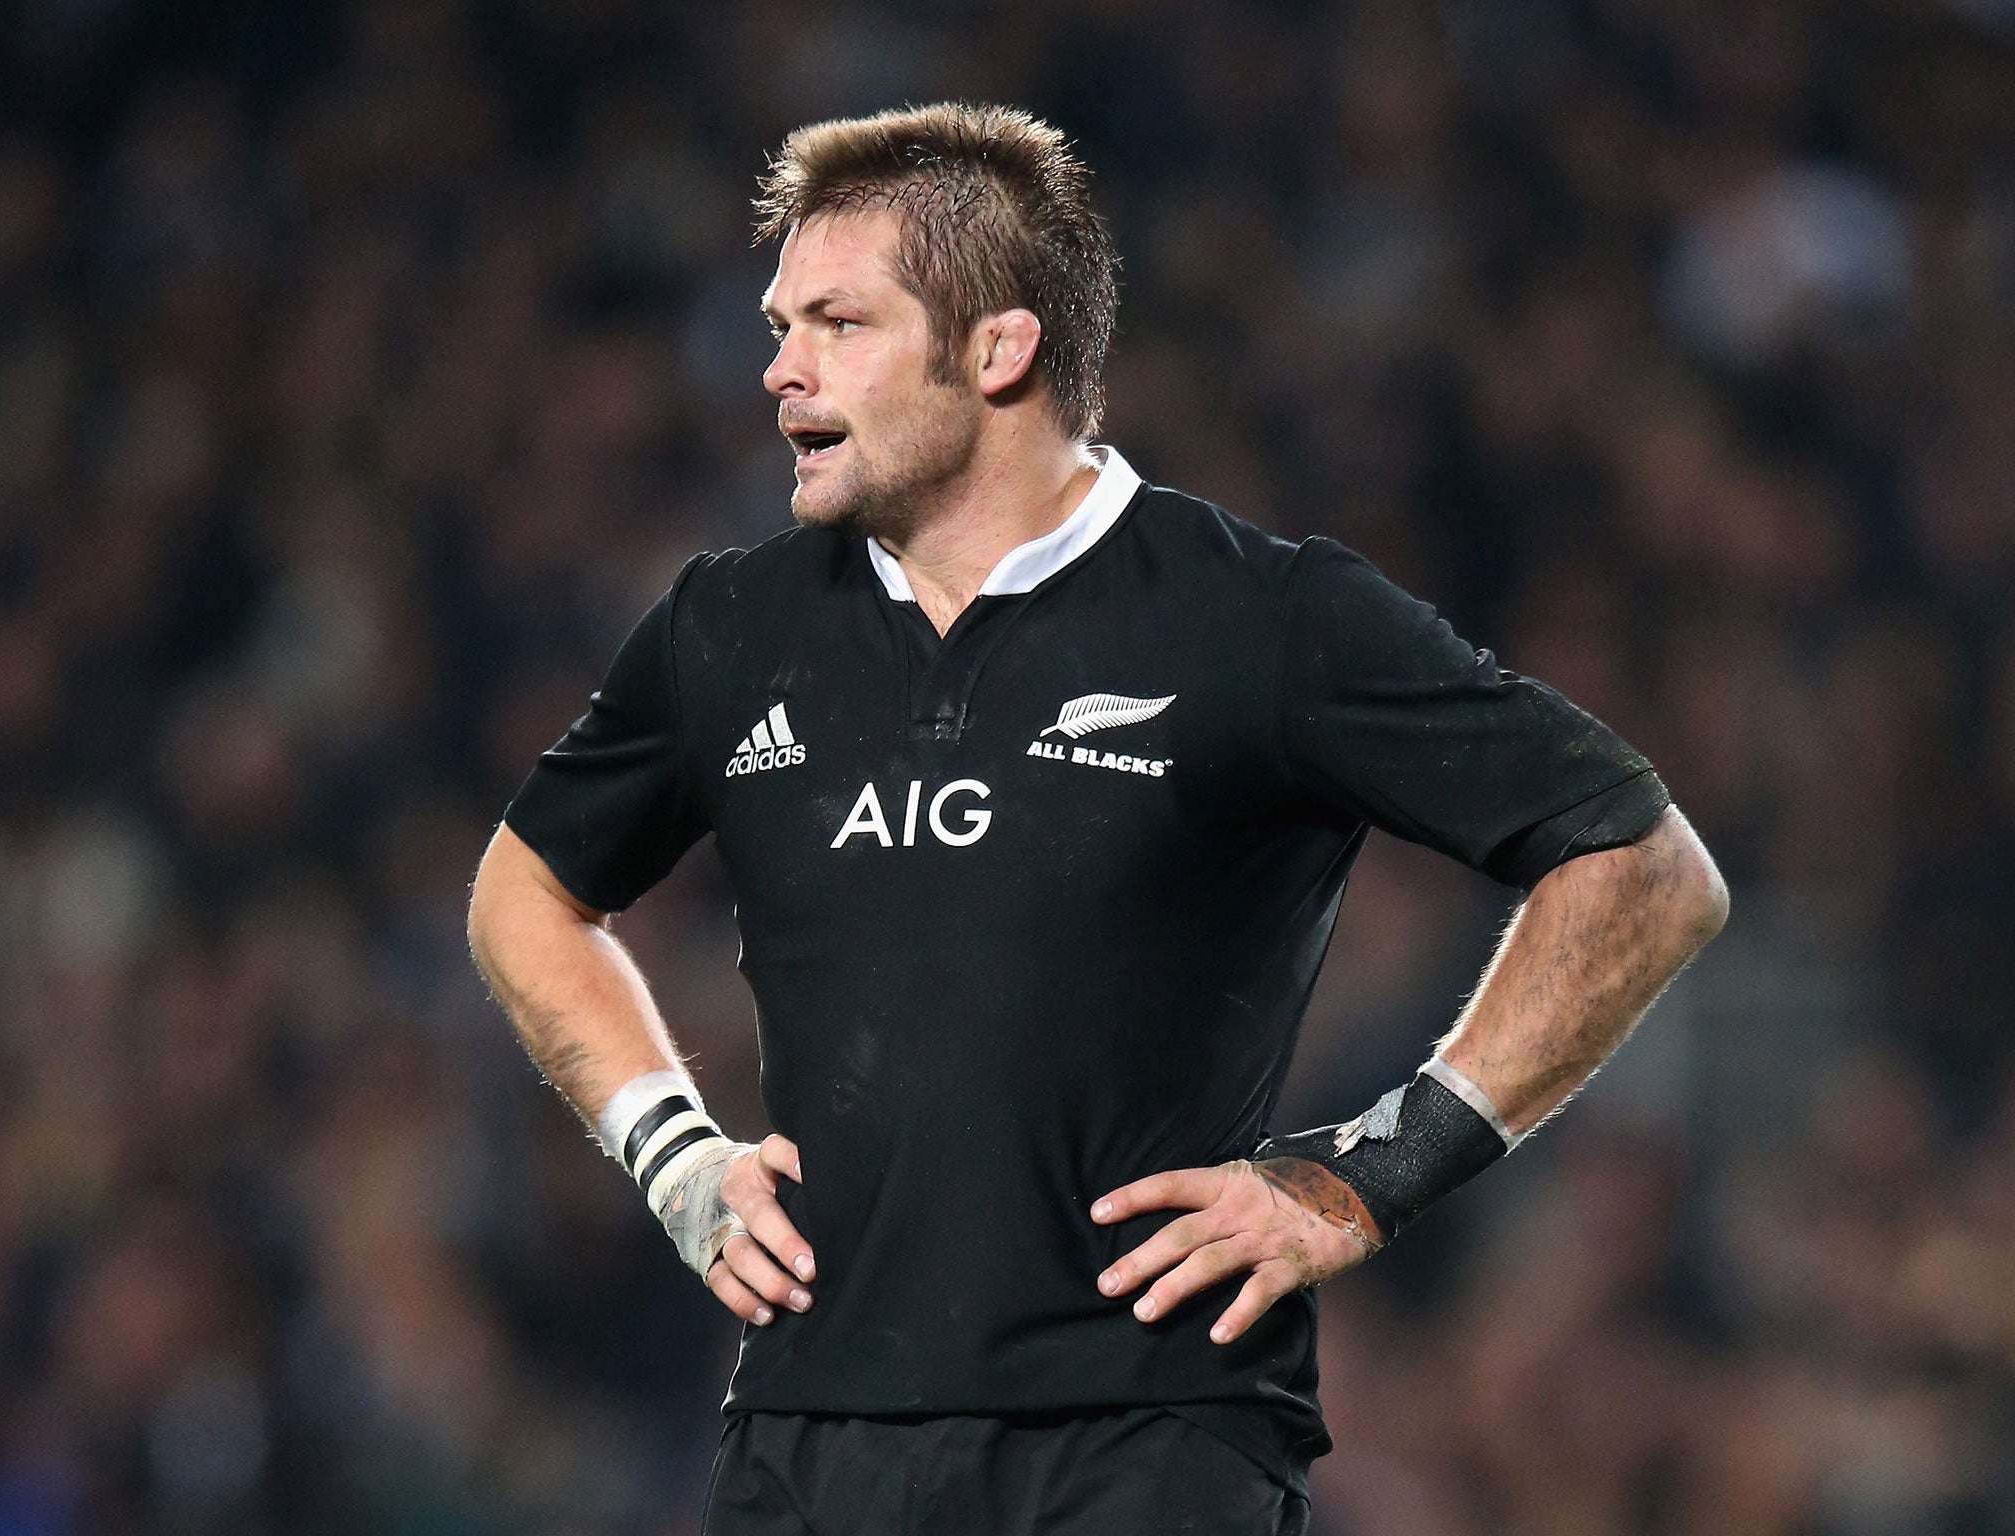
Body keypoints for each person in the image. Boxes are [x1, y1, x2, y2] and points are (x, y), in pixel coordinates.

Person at [466, 102, 1729, 1536]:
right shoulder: (726, 630)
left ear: (998, 350)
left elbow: (1645, 867)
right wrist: (672, 1152)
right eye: (779, 322)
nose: (777, 370)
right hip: (806, 1443)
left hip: (1146, 1448)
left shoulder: (1257, 618)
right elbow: (522, 894)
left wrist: (1372, 1174)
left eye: (836, 323)